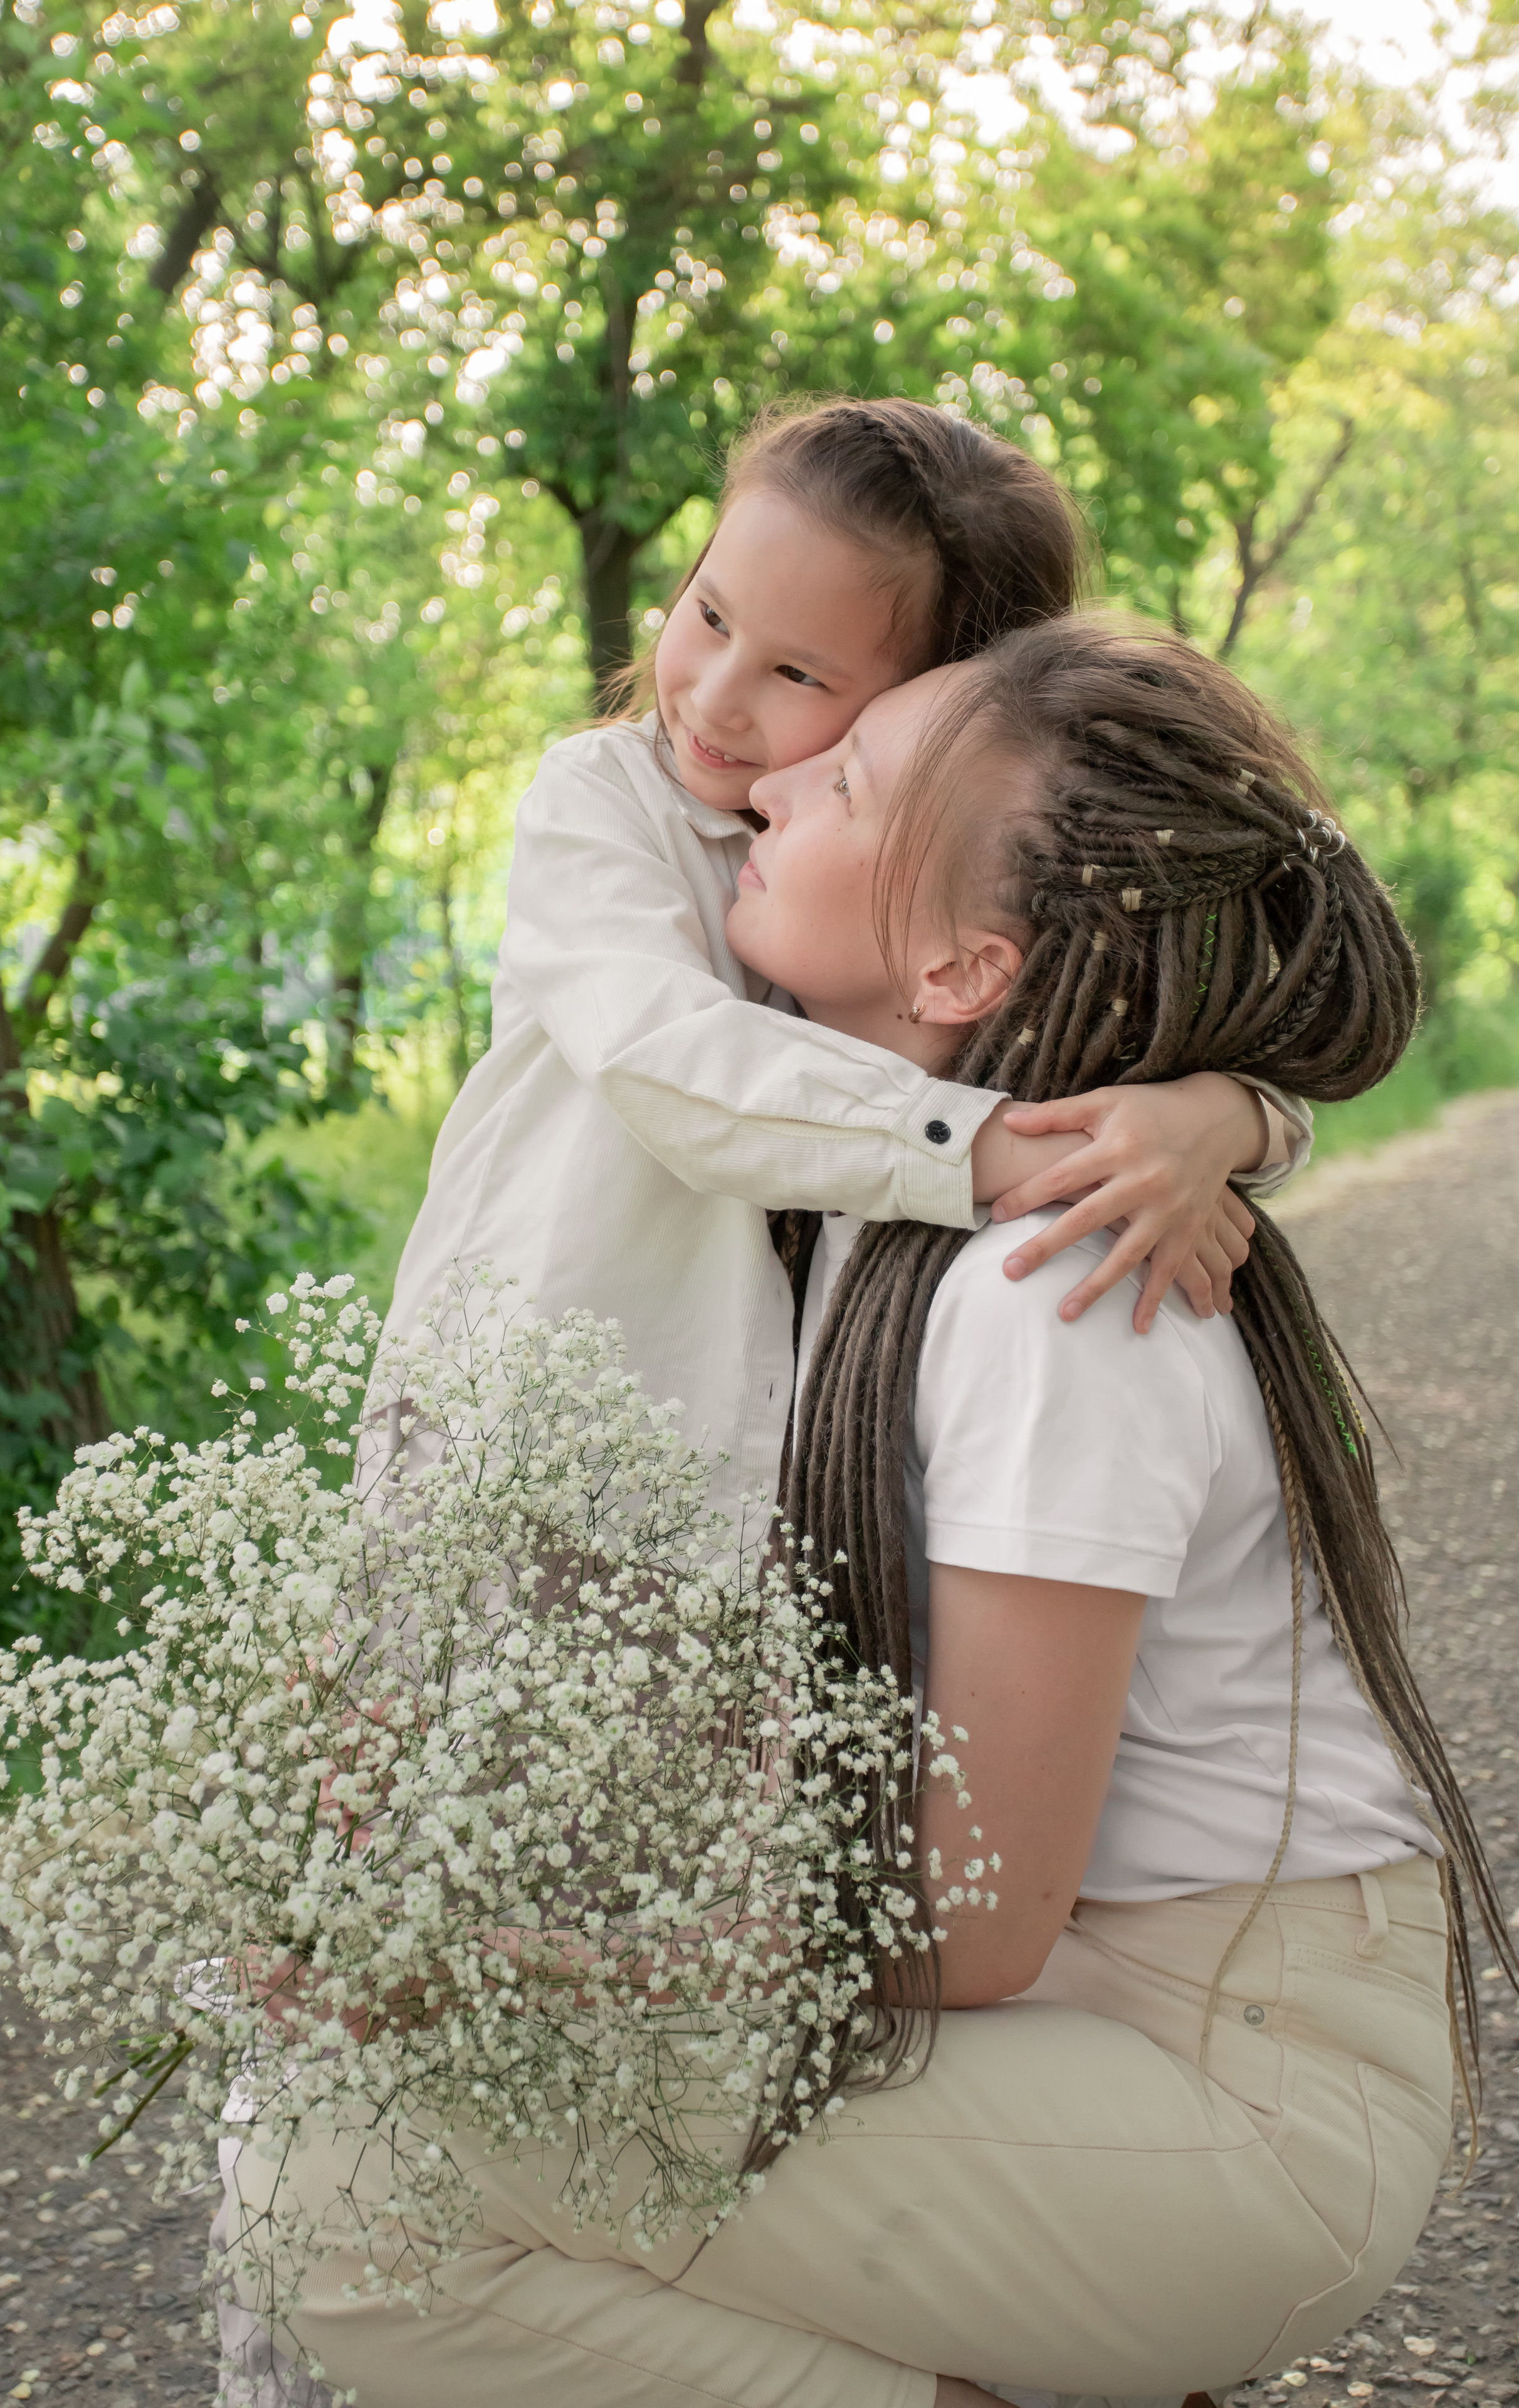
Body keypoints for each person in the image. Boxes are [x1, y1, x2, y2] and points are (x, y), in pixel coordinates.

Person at [220, 614, 1516, 2407]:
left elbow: (965, 1922)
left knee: (354, 2191)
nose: (772, 783)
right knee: (398, 2153)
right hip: (1091, 2013)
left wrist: (508, 1971)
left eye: (850, 778)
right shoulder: (879, 1191)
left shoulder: (1051, 1304)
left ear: (966, 965)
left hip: (1235, 2087)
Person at [364, 399, 1310, 1534]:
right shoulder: (602, 805)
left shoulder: (933, 887)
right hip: (522, 1441)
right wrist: (1012, 1148)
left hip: (762, 1498)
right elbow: (671, 1064)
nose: (716, 696)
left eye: (799, 675)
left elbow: (1106, 1003)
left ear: (935, 702)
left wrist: (1223, 1118)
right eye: (709, 613)